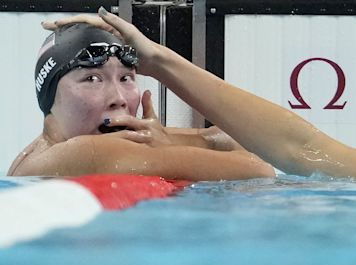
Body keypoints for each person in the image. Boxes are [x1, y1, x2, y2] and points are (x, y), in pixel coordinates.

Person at [41, 7, 356, 186]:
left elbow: (267, 162)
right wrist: (159, 61)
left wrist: (178, 148)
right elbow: (297, 147)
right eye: (90, 78)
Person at [8, 23, 275, 180]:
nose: (119, 99)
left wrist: (165, 141)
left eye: (126, 78)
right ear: (49, 95)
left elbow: (221, 137)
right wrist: (166, 146)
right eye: (91, 79)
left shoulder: (38, 153)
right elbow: (259, 168)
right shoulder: (83, 152)